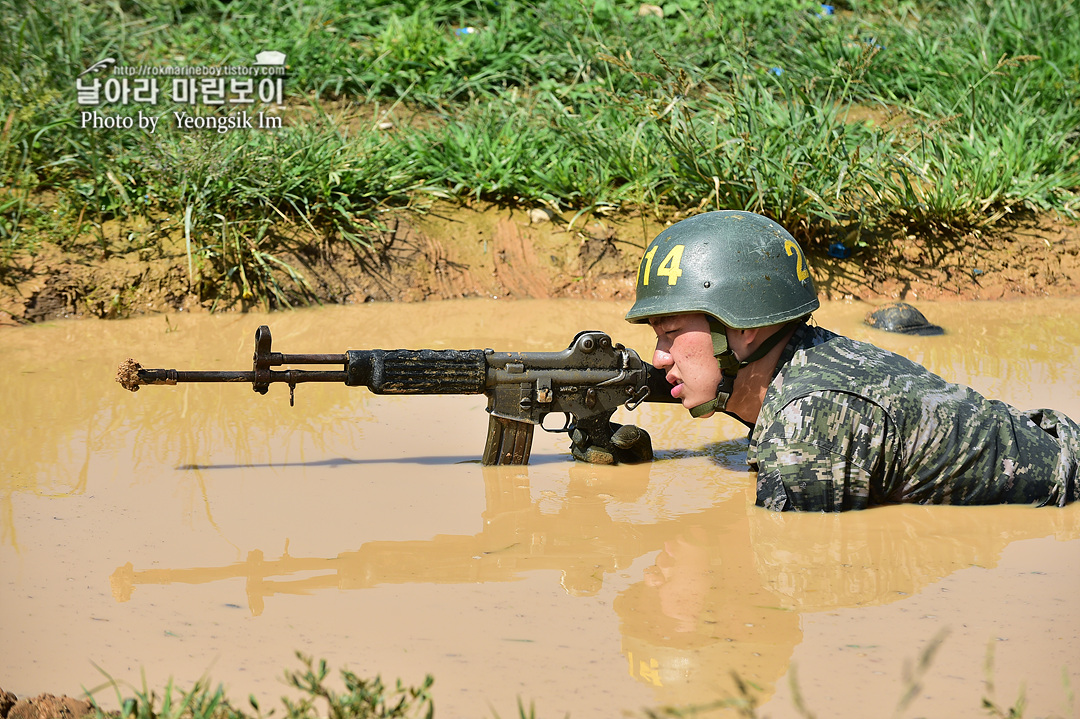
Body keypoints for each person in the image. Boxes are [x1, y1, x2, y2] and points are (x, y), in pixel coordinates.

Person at [578, 210, 1080, 511]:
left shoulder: (809, 420)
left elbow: (776, 564)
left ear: (743, 327)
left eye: (670, 333)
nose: (658, 356)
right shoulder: (804, 356)